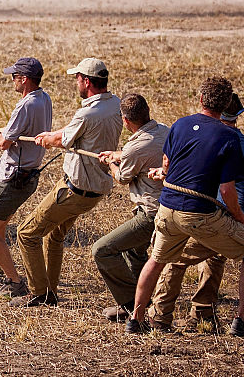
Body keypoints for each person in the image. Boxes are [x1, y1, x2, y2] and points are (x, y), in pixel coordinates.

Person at [127, 77, 244, 339]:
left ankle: (136, 320)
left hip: (167, 208)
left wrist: (164, 173)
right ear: (226, 105)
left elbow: (167, 163)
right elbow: (227, 191)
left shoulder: (180, 124)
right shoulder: (229, 137)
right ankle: (243, 320)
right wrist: (240, 218)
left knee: (156, 261)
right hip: (199, 214)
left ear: (200, 99)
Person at [18, 57, 122, 306]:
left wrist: (49, 139)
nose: (76, 82)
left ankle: (39, 292)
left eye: (77, 78)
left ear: (86, 81)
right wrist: (54, 134)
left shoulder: (86, 113)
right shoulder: (114, 104)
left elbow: (62, 139)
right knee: (54, 237)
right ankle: (50, 292)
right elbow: (71, 132)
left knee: (26, 234)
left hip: (74, 190)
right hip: (95, 190)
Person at [0, 57, 52, 300]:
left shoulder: (25, 105)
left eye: (14, 76)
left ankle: (14, 281)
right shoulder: (43, 98)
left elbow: (4, 142)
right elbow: (17, 131)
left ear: (24, 79)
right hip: (27, 176)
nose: (12, 80)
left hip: (13, 177)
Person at [92, 94, 169, 322]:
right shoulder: (164, 131)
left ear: (125, 121)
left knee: (102, 250)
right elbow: (138, 154)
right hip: (167, 208)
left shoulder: (135, 147)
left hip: (151, 214)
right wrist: (119, 154)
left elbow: (122, 177)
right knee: (134, 251)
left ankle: (130, 306)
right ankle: (141, 302)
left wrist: (111, 163)